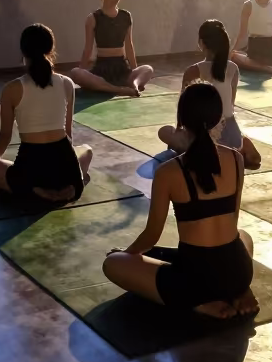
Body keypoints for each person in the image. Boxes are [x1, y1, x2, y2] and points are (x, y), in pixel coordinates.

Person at [102, 82, 258, 320]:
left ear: (182, 120)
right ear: (218, 119)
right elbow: (232, 220)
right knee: (244, 235)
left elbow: (151, 235)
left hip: (195, 282)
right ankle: (239, 290)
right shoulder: (237, 159)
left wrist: (127, 254)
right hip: (238, 271)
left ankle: (199, 303)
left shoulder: (168, 172)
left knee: (112, 263)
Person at [0, 24, 92, 205]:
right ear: (51, 49)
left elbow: (4, 136)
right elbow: (68, 133)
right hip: (64, 159)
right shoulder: (66, 83)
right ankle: (69, 185)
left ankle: (33, 190)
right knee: (87, 150)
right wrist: (65, 166)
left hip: (32, 163)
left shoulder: (12, 88)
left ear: (23, 52)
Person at [158, 19, 263, 169]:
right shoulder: (233, 69)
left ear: (201, 42)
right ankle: (240, 144)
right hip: (231, 134)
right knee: (224, 127)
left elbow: (184, 112)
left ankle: (208, 152)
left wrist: (179, 131)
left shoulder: (194, 71)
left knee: (165, 132)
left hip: (205, 137)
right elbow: (230, 107)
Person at [69, 0, 154, 96]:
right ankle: (119, 90)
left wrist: (134, 70)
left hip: (122, 67)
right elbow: (87, 49)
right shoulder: (93, 18)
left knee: (148, 69)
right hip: (102, 68)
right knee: (75, 72)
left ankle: (133, 85)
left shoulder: (126, 16)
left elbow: (129, 46)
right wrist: (81, 72)